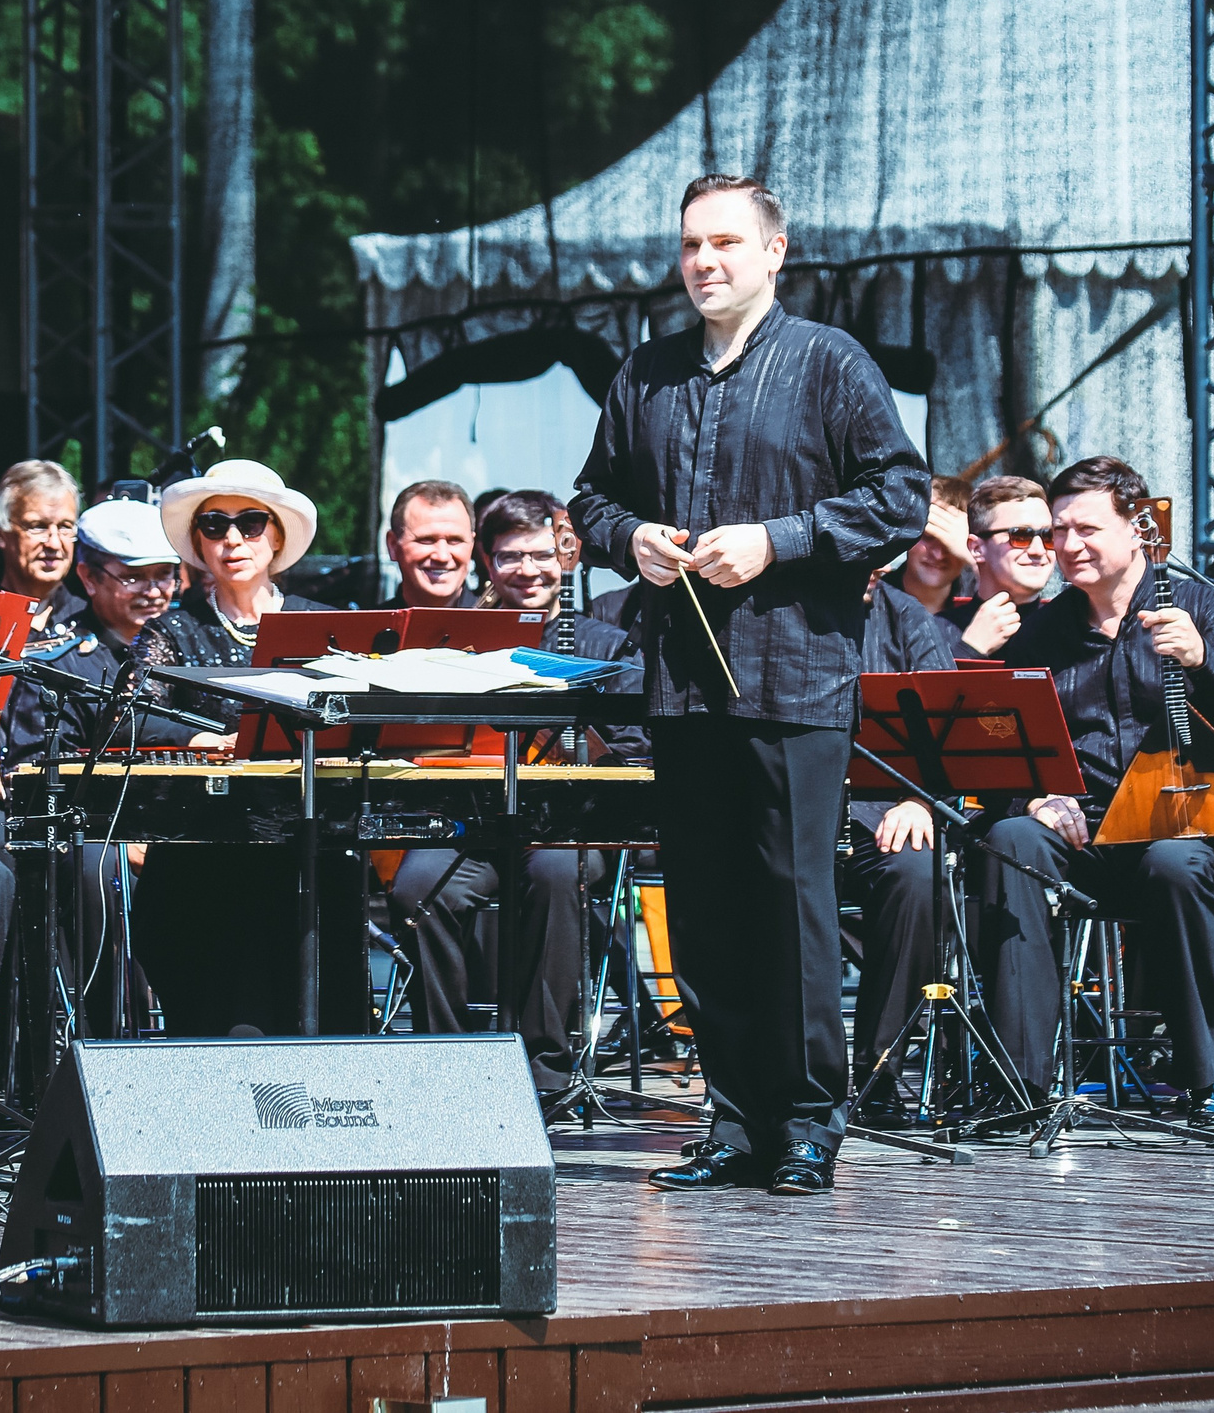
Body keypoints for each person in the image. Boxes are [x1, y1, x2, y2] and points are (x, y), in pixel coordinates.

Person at [572, 174, 929, 1195]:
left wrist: (779, 541)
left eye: (725, 242)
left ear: (774, 252)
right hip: (681, 686)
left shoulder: (827, 362)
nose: (703, 261)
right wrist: (628, 537)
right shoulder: (644, 372)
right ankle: (733, 1121)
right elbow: (590, 497)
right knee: (708, 908)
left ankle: (810, 1122)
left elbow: (901, 498)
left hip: (794, 681)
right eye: (690, 244)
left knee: (792, 904)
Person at [965, 457, 1214, 1126]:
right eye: (1058, 530)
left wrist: (1205, 660)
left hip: (1185, 830)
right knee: (1008, 839)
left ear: (1139, 529)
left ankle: (1203, 1079)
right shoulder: (1044, 632)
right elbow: (1004, 754)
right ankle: (1021, 1085)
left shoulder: (1195, 604)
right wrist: (1033, 798)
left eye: (1087, 527)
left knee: (1175, 859)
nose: (1068, 545)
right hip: (1089, 837)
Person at [386, 490, 642, 1105]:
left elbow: (638, 749)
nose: (526, 571)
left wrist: (581, 731)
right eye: (508, 558)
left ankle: (545, 1069)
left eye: (539, 555)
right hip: (475, 826)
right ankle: (445, 1064)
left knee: (555, 874)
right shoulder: (464, 640)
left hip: (567, 832)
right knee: (416, 889)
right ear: (487, 563)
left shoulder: (607, 643)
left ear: (569, 556)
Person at [128, 460, 363, 1036]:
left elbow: (362, 722)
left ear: (277, 537)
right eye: (214, 525)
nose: (232, 539)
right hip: (207, 837)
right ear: (198, 542)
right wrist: (202, 737)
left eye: (250, 523)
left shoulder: (325, 625)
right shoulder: (171, 631)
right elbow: (130, 720)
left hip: (308, 836)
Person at [0, 499, 186, 1057]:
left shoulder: (184, 640)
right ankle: (111, 1049)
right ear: (88, 576)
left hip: (185, 825)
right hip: (92, 832)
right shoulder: (64, 657)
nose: (154, 591)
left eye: (166, 575)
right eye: (134, 576)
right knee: (101, 865)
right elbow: (44, 772)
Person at [831, 580, 965, 1109]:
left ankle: (878, 1068)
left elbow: (945, 729)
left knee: (915, 872)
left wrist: (923, 802)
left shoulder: (905, 615)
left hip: (880, 809)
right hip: (794, 807)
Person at [0, 460, 85, 636]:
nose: (54, 544)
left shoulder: (97, 626)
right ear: (0, 534)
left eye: (65, 527)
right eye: (37, 526)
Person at [944, 475, 1056, 656]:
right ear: (977, 549)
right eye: (1020, 535)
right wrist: (971, 649)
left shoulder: (1076, 629)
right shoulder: (931, 631)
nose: (1038, 550)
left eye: (1048, 536)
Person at [887, 477, 977, 617]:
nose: (938, 554)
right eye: (928, 537)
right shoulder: (873, 598)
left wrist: (973, 559)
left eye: (951, 543)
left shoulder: (979, 596)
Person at [385, 480, 478, 610]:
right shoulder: (363, 629)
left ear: (472, 545)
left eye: (455, 541)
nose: (442, 556)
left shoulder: (504, 628)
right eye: (427, 540)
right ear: (393, 546)